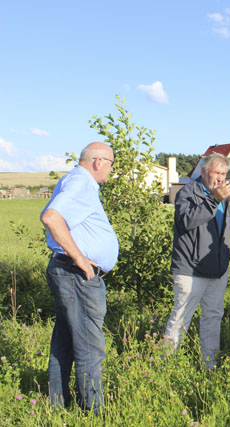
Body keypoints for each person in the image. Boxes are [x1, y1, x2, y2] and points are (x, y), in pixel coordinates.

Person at [41, 142, 119, 412]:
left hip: (67, 272)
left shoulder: (72, 180)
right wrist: (80, 259)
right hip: (76, 275)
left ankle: (57, 406)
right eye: (110, 163)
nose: (111, 170)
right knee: (89, 347)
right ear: (98, 161)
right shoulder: (81, 183)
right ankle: (93, 411)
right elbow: (51, 217)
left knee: (64, 340)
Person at [164, 153, 230, 369]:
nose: (221, 178)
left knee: (213, 317)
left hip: (217, 269)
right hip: (190, 269)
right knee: (181, 318)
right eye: (216, 173)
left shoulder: (224, 196)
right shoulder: (188, 192)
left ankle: (209, 365)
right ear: (204, 172)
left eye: (224, 174)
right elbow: (186, 221)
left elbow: (225, 227)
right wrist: (214, 199)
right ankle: (166, 367)